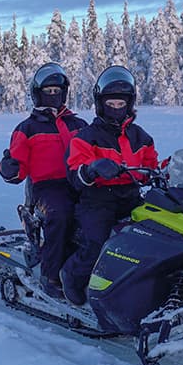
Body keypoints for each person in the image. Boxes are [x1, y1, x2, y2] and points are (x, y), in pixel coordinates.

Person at [60, 66, 159, 306]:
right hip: (97, 200)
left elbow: (150, 166)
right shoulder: (86, 136)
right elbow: (75, 174)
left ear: (129, 104)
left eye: (121, 104)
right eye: (111, 104)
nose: (116, 109)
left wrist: (170, 168)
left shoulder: (140, 136)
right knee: (99, 241)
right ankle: (72, 276)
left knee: (157, 236)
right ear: (101, 104)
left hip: (132, 197)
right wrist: (92, 169)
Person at [0, 63, 87, 299]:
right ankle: (50, 275)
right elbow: (17, 168)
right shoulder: (27, 128)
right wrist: (9, 168)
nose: (53, 95)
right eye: (48, 91)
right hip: (46, 188)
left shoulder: (78, 125)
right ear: (37, 94)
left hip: (79, 183)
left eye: (57, 90)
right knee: (61, 214)